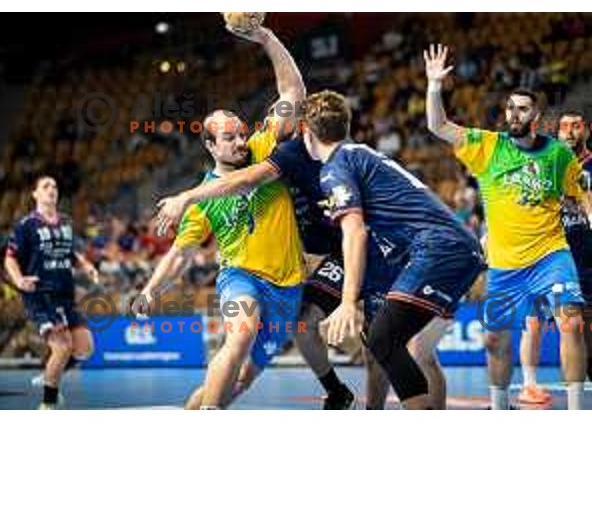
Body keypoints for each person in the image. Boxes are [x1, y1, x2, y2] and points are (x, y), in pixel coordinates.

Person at [156, 123, 452, 409]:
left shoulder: (341, 161)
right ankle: (335, 389)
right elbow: (241, 184)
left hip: (383, 259)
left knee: (396, 351)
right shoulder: (278, 160)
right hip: (336, 261)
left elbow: (359, 228)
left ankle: (377, 412)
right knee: (303, 322)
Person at [139, 23, 306, 409]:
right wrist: (150, 290)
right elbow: (180, 254)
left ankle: (195, 411)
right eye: (229, 137)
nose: (240, 141)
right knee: (239, 334)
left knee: (242, 380)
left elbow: (293, 93)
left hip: (288, 288)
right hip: (239, 277)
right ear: (211, 145)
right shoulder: (202, 200)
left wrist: (266, 38)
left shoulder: (265, 146)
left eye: (240, 132)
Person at [424, 43, 589, 410]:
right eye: (510, 107)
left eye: (523, 109)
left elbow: (579, 192)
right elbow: (437, 126)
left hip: (550, 255)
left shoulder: (558, 154)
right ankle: (500, 409)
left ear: (537, 116)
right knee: (495, 341)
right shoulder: (488, 146)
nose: (514, 114)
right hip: (504, 264)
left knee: (572, 323)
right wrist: (434, 85)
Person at [300, 90, 484, 410]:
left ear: (306, 131)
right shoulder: (361, 153)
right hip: (453, 249)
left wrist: (346, 301)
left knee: (384, 339)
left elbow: (354, 231)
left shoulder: (335, 167)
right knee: (388, 341)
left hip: (439, 248)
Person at [4, 175, 98, 409]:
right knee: (62, 346)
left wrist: (86, 266)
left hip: (65, 295)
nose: (52, 190)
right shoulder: (26, 225)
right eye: (46, 186)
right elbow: (10, 258)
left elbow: (71, 253)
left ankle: (49, 374)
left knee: (85, 350)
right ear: (35, 194)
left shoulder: (65, 221)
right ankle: (48, 403)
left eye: (55, 186)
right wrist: (18, 279)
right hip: (41, 295)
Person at [518, 109, 592, 402]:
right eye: (564, 127)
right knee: (533, 321)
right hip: (547, 254)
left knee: (582, 334)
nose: (570, 132)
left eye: (576, 127)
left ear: (586, 130)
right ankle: (529, 385)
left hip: (586, 259)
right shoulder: (547, 164)